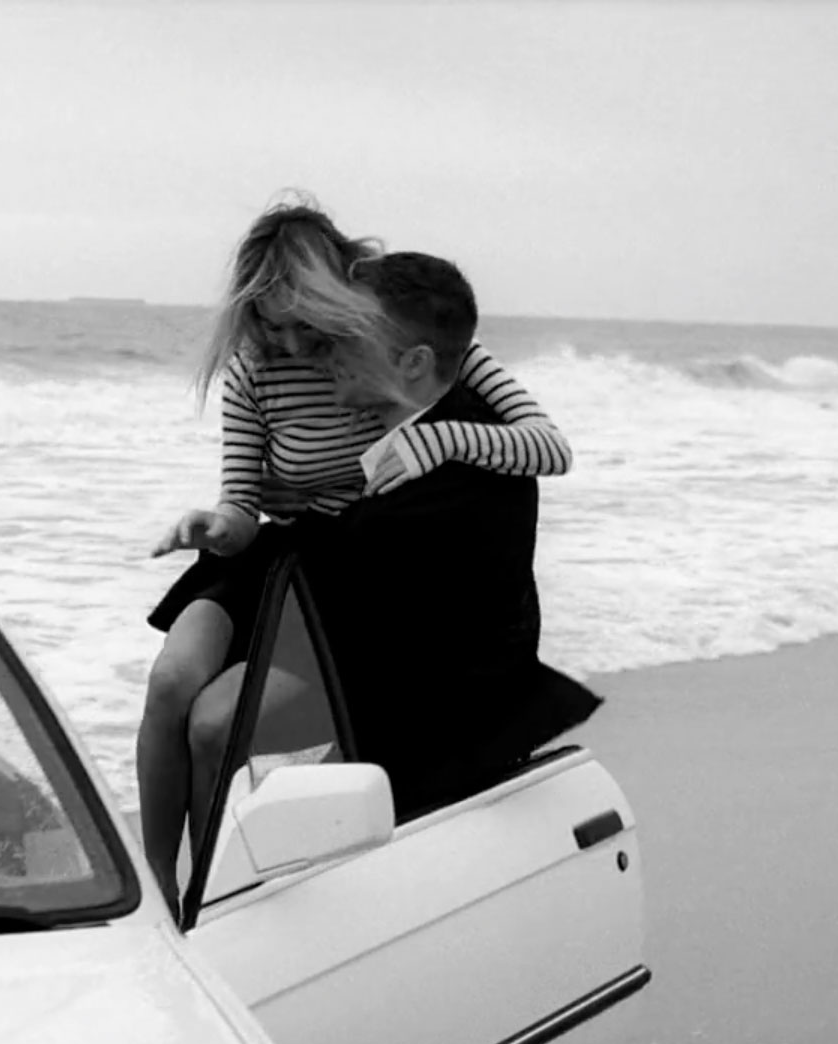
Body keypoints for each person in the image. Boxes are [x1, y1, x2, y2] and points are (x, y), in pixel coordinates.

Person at [134, 194, 574, 911]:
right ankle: (157, 881)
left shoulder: (387, 343)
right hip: (274, 549)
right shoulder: (253, 371)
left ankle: (213, 893)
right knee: (171, 682)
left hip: (354, 558)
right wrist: (216, 527)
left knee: (218, 722)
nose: (290, 345)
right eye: (270, 325)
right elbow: (240, 504)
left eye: (303, 324)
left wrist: (440, 440)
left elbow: (547, 446)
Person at [188, 251, 601, 846]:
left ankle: (217, 884)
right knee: (201, 697)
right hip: (397, 678)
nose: (323, 352)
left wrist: (286, 515)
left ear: (412, 362)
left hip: (428, 735)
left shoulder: (445, 477)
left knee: (214, 725)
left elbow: (358, 578)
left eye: (347, 337)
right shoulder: (441, 434)